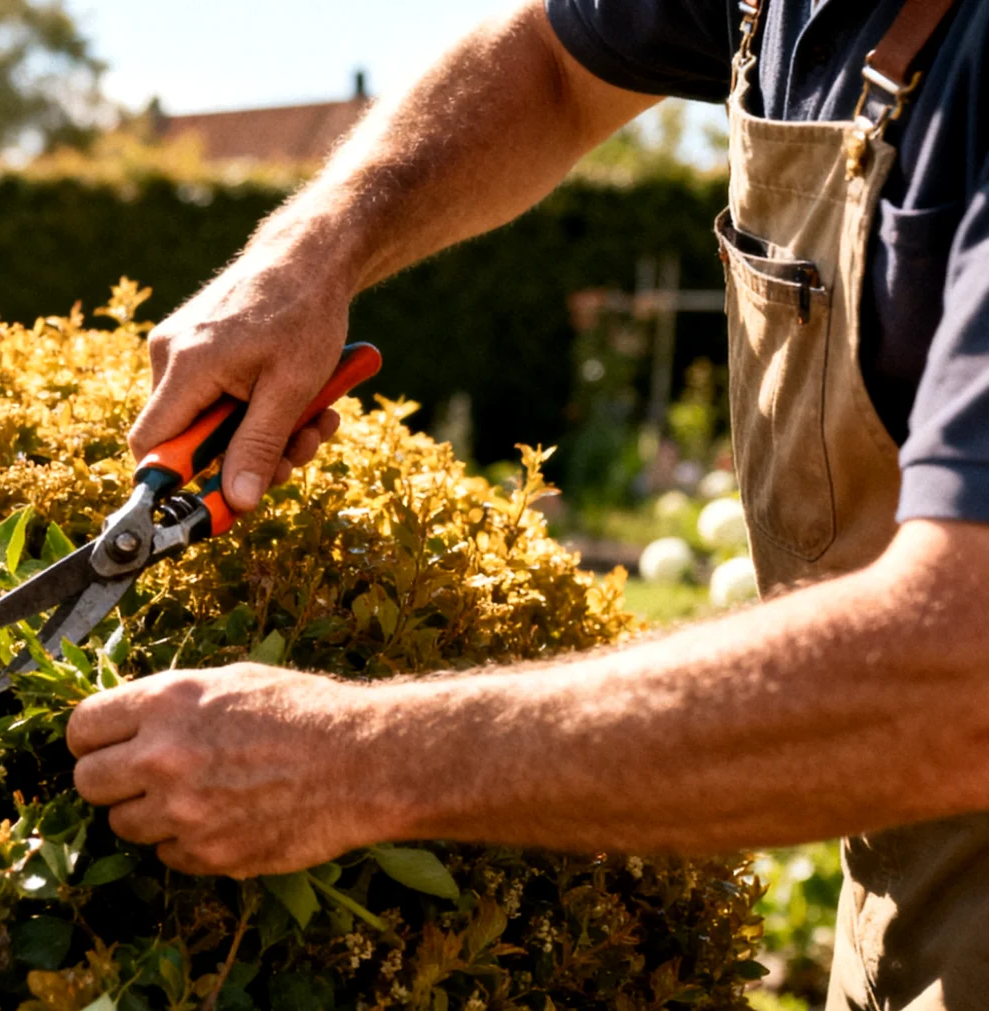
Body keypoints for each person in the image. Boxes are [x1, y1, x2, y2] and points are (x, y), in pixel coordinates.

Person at [66, 1, 989, 1008]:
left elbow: (963, 672)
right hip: (901, 895)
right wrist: (314, 248)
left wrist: (352, 762)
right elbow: (554, 62)